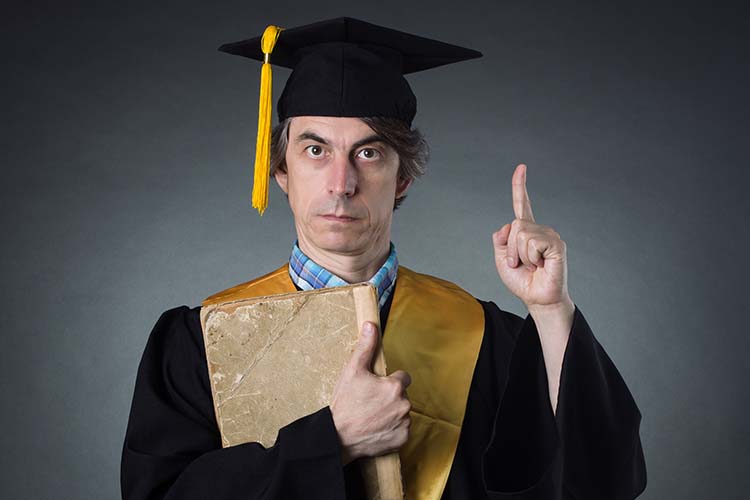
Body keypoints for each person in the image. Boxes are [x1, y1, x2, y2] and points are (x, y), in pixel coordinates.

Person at [121, 17, 647, 500]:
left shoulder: (485, 340)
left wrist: (552, 312)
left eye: (368, 153)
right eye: (315, 150)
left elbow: (604, 484)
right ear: (280, 171)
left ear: (402, 178)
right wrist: (332, 441)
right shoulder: (200, 343)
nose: (342, 183)